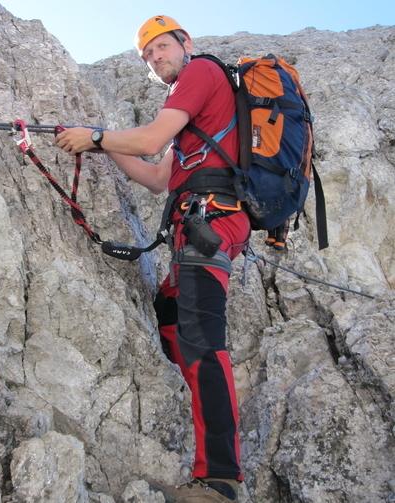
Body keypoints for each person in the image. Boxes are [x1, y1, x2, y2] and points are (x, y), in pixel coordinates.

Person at [55, 15, 250, 503]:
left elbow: (148, 141)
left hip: (212, 223)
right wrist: (100, 145)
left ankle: (220, 481)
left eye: (161, 46)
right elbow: (158, 177)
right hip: (199, 227)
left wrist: (96, 136)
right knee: (169, 314)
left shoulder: (200, 72)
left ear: (185, 43)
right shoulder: (192, 115)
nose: (155, 57)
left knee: (203, 342)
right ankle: (193, 405)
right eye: (147, 54)